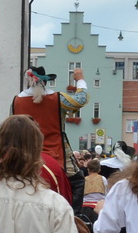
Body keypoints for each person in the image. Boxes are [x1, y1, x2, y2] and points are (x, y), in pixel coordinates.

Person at [10, 65, 87, 200]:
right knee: (78, 180)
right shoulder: (57, 98)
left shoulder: (16, 101)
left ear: (28, 81)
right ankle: (75, 215)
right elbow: (81, 99)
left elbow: (11, 125)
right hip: (56, 152)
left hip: (24, 153)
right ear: (46, 82)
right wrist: (80, 80)